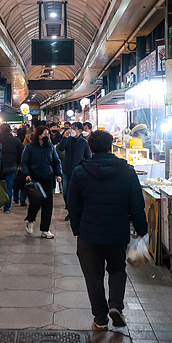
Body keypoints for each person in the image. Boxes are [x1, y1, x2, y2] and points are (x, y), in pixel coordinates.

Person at [68, 130, 148, 330]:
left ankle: (100, 318)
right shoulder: (127, 171)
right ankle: (115, 305)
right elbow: (137, 204)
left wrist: (77, 228)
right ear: (111, 146)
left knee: (93, 276)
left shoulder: (80, 172)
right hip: (117, 233)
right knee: (117, 270)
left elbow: (73, 204)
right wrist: (141, 229)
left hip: (89, 234)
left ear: (90, 148)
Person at [21, 126, 63, 239]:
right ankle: (30, 220)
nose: (47, 136)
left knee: (48, 205)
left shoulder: (50, 147)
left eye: (48, 134)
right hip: (34, 179)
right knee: (35, 202)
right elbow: (24, 162)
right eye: (45, 134)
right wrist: (27, 174)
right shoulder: (30, 147)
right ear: (39, 135)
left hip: (48, 178)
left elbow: (56, 161)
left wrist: (58, 174)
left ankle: (45, 229)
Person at [56, 121, 91, 220]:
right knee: (66, 192)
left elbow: (88, 156)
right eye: (71, 128)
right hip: (66, 169)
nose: (71, 130)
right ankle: (70, 209)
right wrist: (64, 137)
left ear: (80, 131)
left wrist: (85, 168)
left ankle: (74, 212)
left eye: (74, 129)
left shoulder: (84, 142)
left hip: (78, 171)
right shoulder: (68, 140)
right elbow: (60, 148)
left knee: (76, 193)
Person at [0, 123, 24, 213]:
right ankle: (6, 208)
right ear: (10, 130)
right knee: (9, 187)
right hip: (12, 166)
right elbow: (22, 152)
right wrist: (18, 163)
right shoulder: (15, 140)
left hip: (0, 167)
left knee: (0, 187)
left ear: (0, 130)